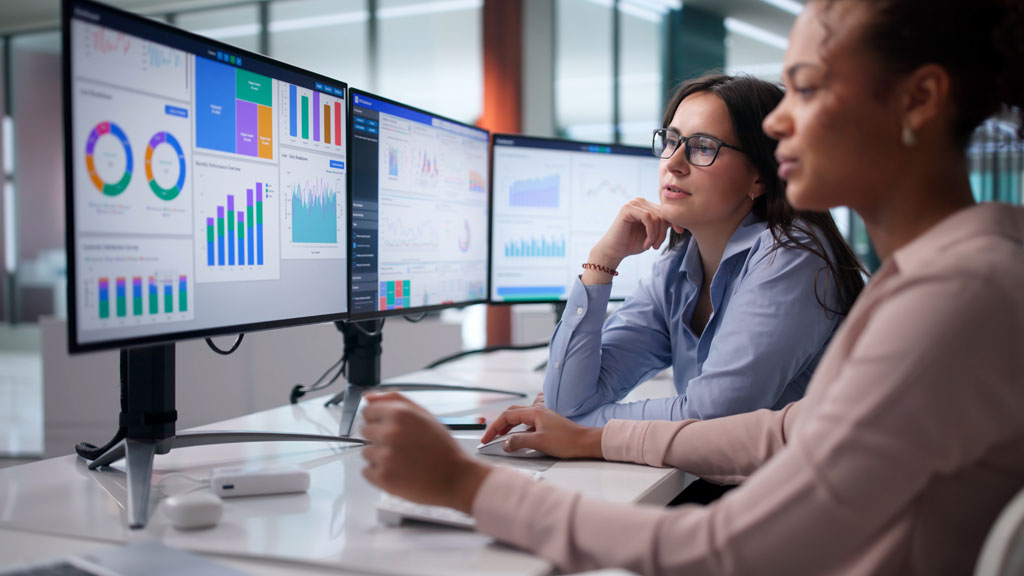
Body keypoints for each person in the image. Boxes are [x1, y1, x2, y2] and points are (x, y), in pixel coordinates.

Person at [359, 0, 1024, 573]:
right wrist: (598, 285)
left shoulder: (956, 295)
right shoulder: (927, 277)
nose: (775, 122)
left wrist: (465, 485)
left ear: (920, 99)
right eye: (671, 141)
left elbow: (719, 551)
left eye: (808, 87)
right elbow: (785, 431)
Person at [544, 74, 864, 426]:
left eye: (703, 147)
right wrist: (601, 262)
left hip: (804, 478)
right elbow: (566, 402)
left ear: (758, 176)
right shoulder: (675, 267)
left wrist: (585, 428)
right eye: (671, 141)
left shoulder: (791, 256)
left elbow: (714, 417)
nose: (674, 163)